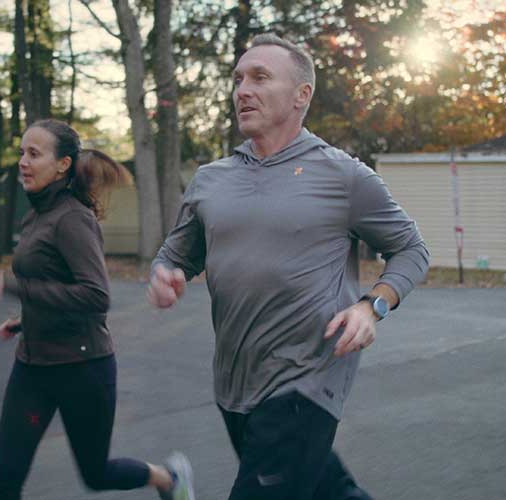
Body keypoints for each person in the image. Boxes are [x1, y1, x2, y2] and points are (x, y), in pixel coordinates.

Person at [147, 34, 430, 500]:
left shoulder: (343, 176)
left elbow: (411, 249)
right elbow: (175, 255)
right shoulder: (211, 181)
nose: (243, 90)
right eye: (238, 79)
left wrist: (371, 307)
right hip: (237, 382)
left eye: (260, 77)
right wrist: (163, 275)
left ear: (302, 95)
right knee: (326, 491)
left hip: (308, 379)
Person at [0, 118, 195, 500]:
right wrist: (25, 322)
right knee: (5, 480)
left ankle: (169, 479)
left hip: (81, 370)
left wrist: (18, 288)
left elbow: (96, 296)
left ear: (62, 164)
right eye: (21, 153)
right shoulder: (36, 215)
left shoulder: (72, 218)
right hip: (32, 369)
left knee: (96, 474)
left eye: (34, 154)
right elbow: (55, 282)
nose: (23, 162)